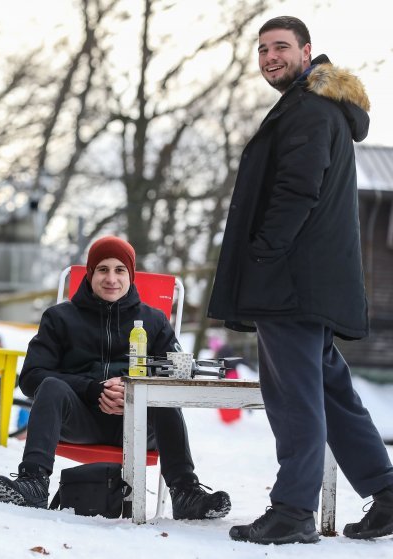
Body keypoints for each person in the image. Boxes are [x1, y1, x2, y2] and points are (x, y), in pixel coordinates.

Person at [208, 16, 393, 544]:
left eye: (281, 47)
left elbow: (297, 189)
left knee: (294, 399)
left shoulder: (310, 110)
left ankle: (292, 511)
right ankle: (387, 491)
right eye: (263, 49)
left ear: (307, 51)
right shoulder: (317, 108)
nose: (270, 57)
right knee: (330, 394)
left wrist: (263, 254)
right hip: (312, 284)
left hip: (289, 282)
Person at [0, 235, 231, 520]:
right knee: (51, 385)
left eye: (120, 270)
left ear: (130, 275)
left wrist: (132, 392)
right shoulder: (60, 318)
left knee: (164, 395)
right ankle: (33, 482)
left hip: (140, 424)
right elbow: (31, 377)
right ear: (90, 274)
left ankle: (185, 492)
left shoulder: (154, 321)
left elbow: (175, 375)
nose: (111, 278)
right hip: (80, 420)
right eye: (103, 269)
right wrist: (93, 389)